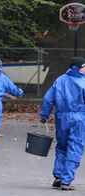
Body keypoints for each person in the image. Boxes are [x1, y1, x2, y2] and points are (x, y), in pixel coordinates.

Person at [39, 56, 85, 191]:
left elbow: (48, 99)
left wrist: (44, 115)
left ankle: (58, 176)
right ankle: (66, 180)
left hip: (61, 118)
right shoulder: (83, 82)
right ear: (79, 68)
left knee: (62, 146)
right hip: (78, 118)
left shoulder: (60, 80)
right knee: (75, 147)